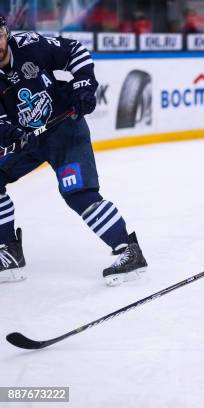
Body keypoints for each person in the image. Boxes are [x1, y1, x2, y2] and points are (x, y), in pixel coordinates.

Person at [0, 16, 147, 286]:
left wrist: (83, 87)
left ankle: (128, 250)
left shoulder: (30, 45)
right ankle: (8, 251)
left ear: (6, 32)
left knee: (78, 194)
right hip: (29, 139)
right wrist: (11, 134)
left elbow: (75, 51)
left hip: (66, 131)